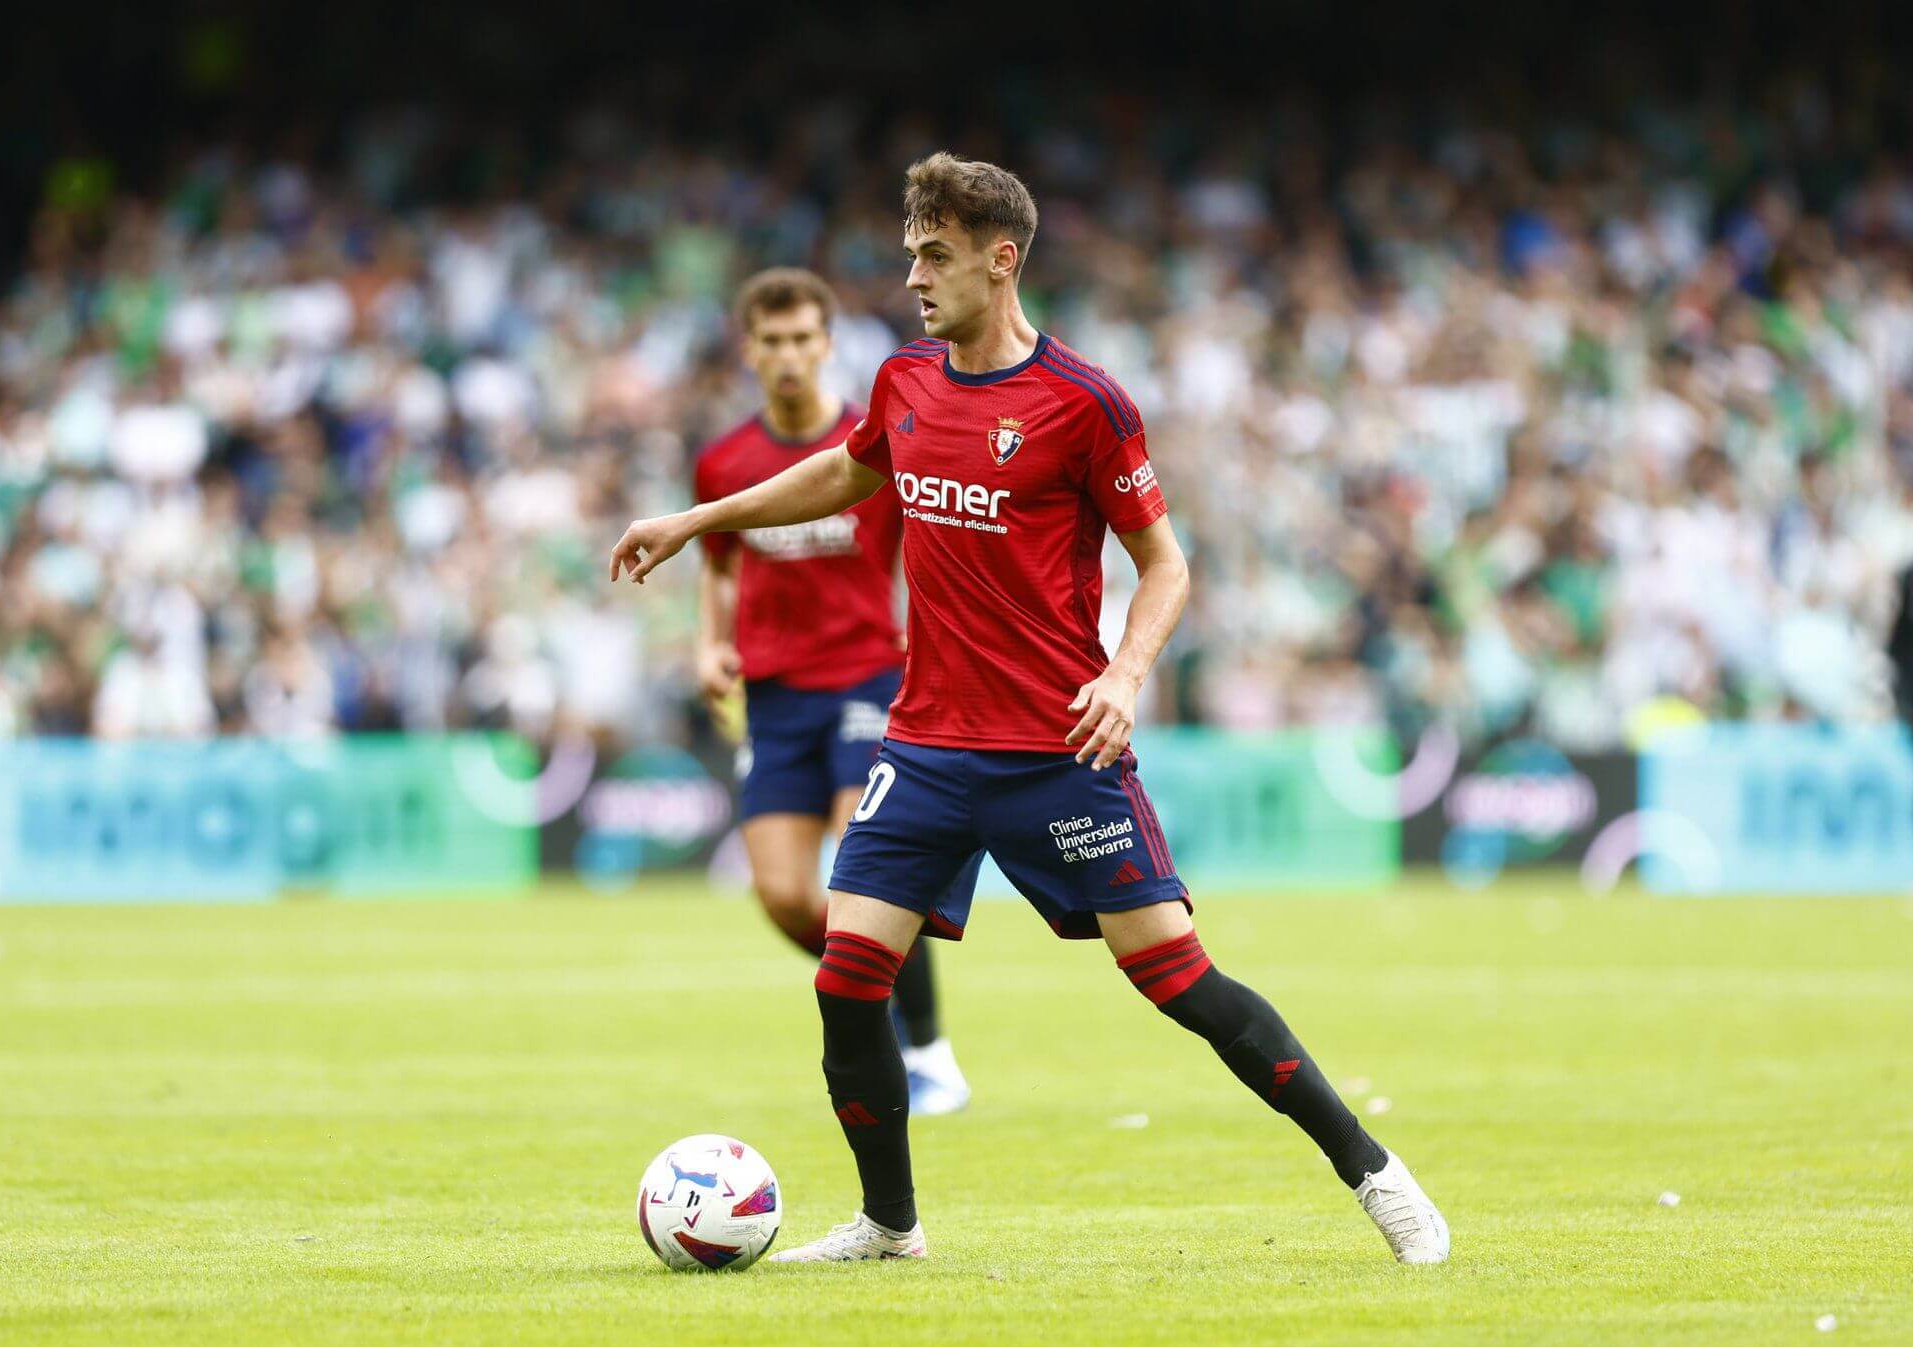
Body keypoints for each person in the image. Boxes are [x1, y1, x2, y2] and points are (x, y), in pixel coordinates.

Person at [611, 154, 1449, 1265]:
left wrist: (1121, 675)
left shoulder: (1083, 403)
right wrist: (695, 517)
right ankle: (887, 1223)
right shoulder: (905, 383)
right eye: (910, 253)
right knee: (846, 979)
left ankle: (1375, 1176)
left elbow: (1165, 565)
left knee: (1180, 984)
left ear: (1000, 261)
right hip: (923, 746)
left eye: (935, 256)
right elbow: (844, 476)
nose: (913, 275)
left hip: (1053, 752)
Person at [692, 267, 973, 1115]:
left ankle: (929, 1052)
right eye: (771, 341)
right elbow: (719, 563)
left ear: (827, 344)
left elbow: (931, 544)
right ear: (750, 350)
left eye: (802, 339)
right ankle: (872, 992)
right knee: (782, 894)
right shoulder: (724, 461)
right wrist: (709, 645)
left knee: (864, 875)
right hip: (775, 696)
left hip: (867, 680)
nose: (787, 356)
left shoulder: (877, 440)